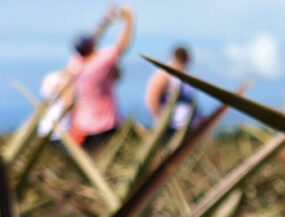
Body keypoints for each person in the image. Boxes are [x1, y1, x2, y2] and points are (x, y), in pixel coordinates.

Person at [70, 4, 135, 150]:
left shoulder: (76, 64)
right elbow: (123, 44)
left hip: (83, 126)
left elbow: (92, 40)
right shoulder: (100, 63)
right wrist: (129, 20)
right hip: (105, 125)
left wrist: (106, 20)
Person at [144, 46, 200, 132]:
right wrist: (161, 120)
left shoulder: (185, 76)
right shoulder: (165, 75)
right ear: (185, 58)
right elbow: (152, 98)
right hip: (171, 126)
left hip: (187, 125)